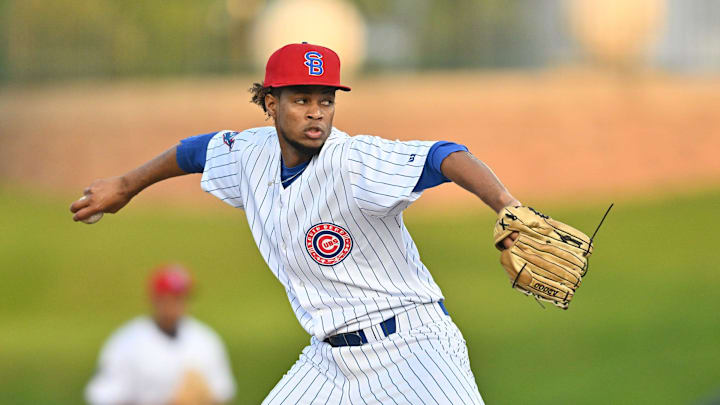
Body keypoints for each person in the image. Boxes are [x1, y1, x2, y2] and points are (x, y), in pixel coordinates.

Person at [72, 42, 520, 404]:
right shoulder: (249, 154)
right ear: (271, 103)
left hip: (413, 349)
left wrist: (504, 203)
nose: (316, 112)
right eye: (301, 99)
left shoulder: (354, 161)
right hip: (329, 362)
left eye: (325, 100)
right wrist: (127, 185)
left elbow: (442, 155)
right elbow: (195, 152)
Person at [85, 264, 236, 405]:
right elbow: (103, 397)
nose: (176, 305)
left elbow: (223, 392)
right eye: (169, 298)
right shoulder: (127, 342)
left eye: (181, 298)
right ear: (154, 299)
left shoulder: (205, 339)